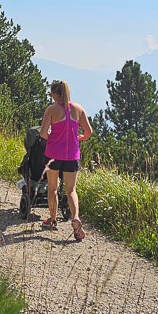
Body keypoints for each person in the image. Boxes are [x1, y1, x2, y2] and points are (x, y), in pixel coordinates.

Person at [39, 80, 92, 240]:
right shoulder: (78, 109)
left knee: (53, 188)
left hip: (54, 153)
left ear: (55, 94)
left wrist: (52, 138)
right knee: (71, 190)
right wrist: (79, 138)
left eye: (51, 94)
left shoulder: (52, 109)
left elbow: (42, 133)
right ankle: (76, 218)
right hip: (72, 155)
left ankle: (53, 220)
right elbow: (88, 132)